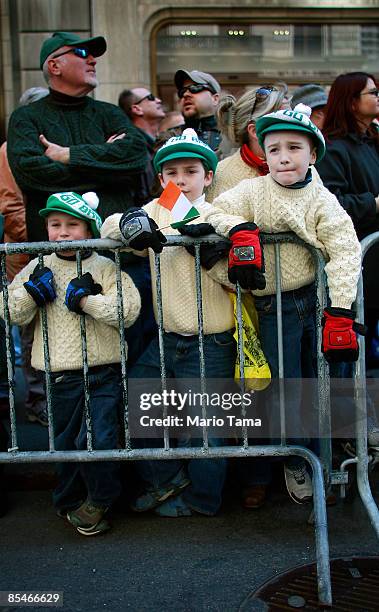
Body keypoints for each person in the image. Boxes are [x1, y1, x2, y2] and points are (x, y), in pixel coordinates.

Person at [202, 105, 362, 504]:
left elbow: (345, 249)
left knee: (323, 380)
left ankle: (334, 449)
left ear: (313, 155)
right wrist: (239, 230)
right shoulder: (254, 191)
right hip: (275, 308)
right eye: (274, 149)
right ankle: (297, 458)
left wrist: (340, 313)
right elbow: (208, 209)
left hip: (316, 300)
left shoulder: (322, 199)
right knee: (286, 388)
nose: (284, 156)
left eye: (294, 147)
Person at [100, 128, 236, 517]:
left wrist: (210, 253)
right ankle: (167, 480)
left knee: (206, 428)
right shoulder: (158, 207)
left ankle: (203, 501)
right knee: (139, 403)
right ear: (160, 178)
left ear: (207, 177)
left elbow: (232, 278)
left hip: (211, 340)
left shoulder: (217, 213)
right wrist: (130, 226)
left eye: (190, 171)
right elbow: (108, 225)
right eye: (171, 172)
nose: (180, 179)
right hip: (166, 335)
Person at [0, 192, 141, 535]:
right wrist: (30, 294)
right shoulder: (38, 265)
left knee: (98, 439)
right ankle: (68, 499)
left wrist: (89, 301)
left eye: (72, 225)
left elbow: (129, 310)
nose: (63, 232)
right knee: (64, 442)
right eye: (55, 224)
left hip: (103, 370)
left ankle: (101, 498)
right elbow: (9, 311)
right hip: (58, 374)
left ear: (89, 227)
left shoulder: (106, 266)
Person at [6, 31, 147, 244]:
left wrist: (69, 155)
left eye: (92, 55)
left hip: (117, 252)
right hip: (56, 255)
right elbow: (31, 176)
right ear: (55, 66)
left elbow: (137, 156)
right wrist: (109, 167)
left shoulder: (110, 113)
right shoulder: (25, 118)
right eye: (82, 53)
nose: (93, 60)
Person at [316, 71, 379, 447]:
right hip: (357, 266)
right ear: (351, 100)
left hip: (374, 260)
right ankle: (351, 432)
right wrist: (372, 204)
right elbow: (333, 204)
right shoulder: (335, 148)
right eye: (372, 93)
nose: (378, 97)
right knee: (355, 348)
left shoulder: (373, 141)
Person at [0, 86, 49, 427]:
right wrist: (45, 239)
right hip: (28, 254)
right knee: (32, 330)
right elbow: (10, 205)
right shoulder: (9, 151)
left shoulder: (53, 147)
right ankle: (36, 399)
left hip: (63, 250)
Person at [207, 84, 289, 203]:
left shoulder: (304, 165)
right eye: (284, 122)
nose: (295, 128)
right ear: (255, 131)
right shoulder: (222, 175)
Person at [118, 88, 166, 206]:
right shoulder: (128, 145)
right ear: (136, 109)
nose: (158, 100)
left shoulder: (159, 143)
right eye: (151, 98)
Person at [174, 69, 222, 151]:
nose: (185, 94)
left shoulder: (233, 135)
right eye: (182, 91)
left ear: (215, 99)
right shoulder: (171, 137)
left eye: (195, 88)